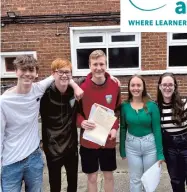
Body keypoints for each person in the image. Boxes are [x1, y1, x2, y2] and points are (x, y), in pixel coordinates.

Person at [0, 55, 83, 192]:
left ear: (36, 73)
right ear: (16, 71)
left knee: (71, 184)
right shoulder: (41, 93)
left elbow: (92, 77)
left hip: (43, 154)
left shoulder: (39, 89)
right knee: (54, 185)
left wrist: (111, 79)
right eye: (23, 70)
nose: (27, 74)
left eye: (31, 70)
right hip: (19, 158)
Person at [77, 50, 121, 192]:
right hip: (88, 141)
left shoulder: (115, 85)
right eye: (95, 64)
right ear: (89, 66)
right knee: (92, 178)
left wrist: (115, 128)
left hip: (107, 140)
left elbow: (117, 110)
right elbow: (75, 112)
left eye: (101, 64)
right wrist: (81, 122)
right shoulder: (81, 87)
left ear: (106, 65)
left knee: (108, 176)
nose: (98, 67)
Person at [40, 58, 83, 192]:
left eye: (67, 72)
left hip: (70, 145)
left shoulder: (74, 91)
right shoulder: (45, 94)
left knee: (73, 182)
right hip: (53, 146)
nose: (64, 75)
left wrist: (110, 76)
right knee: (55, 184)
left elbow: (95, 75)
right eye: (60, 72)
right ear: (53, 74)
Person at [120, 74, 165, 192]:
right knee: (135, 179)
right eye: (133, 85)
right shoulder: (124, 106)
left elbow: (157, 129)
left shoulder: (152, 106)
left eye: (138, 85)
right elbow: (123, 127)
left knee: (148, 180)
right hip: (132, 146)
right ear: (129, 87)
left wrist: (160, 153)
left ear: (143, 87)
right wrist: (122, 149)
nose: (136, 88)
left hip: (150, 146)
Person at [157, 72, 187, 192]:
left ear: (175, 86)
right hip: (170, 148)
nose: (167, 87)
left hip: (186, 144)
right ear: (159, 86)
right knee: (176, 181)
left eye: (170, 84)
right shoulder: (156, 107)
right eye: (164, 85)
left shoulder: (184, 103)